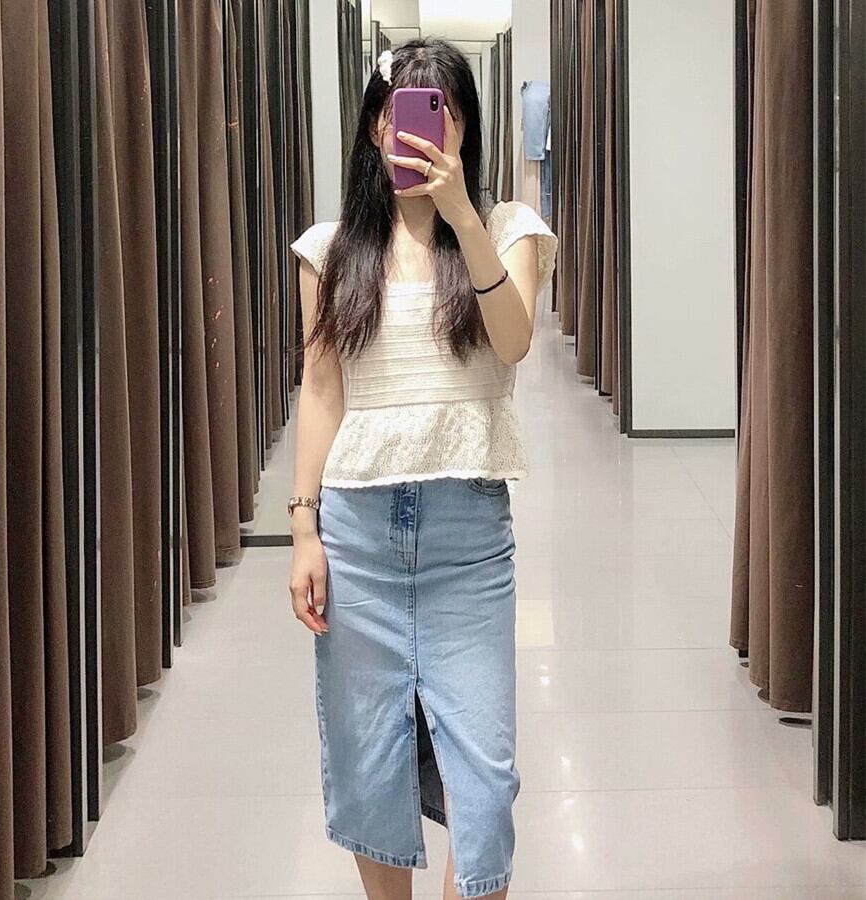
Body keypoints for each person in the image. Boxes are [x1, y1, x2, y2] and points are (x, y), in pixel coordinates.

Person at [287, 37, 557, 900]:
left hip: (467, 538)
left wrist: (464, 217)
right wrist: (303, 529)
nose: (422, 134)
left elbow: (512, 345)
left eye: (446, 114)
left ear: (465, 127)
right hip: (358, 533)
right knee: (370, 764)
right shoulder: (330, 251)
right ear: (375, 127)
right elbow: (322, 390)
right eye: (401, 114)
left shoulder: (510, 231)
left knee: (486, 781)